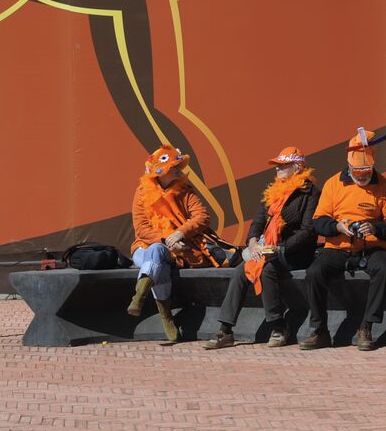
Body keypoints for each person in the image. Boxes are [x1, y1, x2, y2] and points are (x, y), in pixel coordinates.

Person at [204, 146, 320, 350]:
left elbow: (308, 231)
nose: (277, 169)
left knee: (267, 270)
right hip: (268, 250)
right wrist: (253, 243)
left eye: (282, 166)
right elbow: (257, 222)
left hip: (295, 253)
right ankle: (225, 330)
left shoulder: (310, 192)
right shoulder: (272, 191)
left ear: (296, 167)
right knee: (241, 272)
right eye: (277, 166)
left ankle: (278, 326)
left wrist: (279, 248)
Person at [300, 128, 386, 351]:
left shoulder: (384, 186)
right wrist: (337, 226)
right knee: (314, 273)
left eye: (366, 172)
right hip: (338, 246)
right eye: (357, 172)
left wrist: (374, 227)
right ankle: (319, 330)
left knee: (383, 268)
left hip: (371, 246)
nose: (361, 176)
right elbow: (318, 220)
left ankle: (366, 326)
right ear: (349, 166)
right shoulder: (333, 184)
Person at [129, 145, 212, 345]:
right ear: (162, 171)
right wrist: (166, 239)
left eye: (180, 165)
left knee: (158, 257)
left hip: (174, 250)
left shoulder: (185, 191)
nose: (180, 169)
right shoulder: (142, 193)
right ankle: (166, 315)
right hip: (144, 247)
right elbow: (141, 229)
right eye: (175, 166)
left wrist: (180, 232)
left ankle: (140, 294)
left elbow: (202, 216)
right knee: (156, 251)